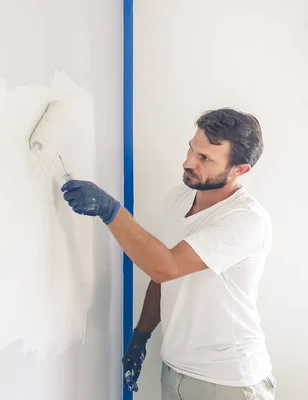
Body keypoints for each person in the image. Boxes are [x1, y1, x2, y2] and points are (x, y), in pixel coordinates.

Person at [61, 108, 276, 399]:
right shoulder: (179, 198)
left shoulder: (245, 219)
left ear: (239, 170)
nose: (187, 162)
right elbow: (162, 273)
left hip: (229, 380)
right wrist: (140, 337)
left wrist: (109, 210)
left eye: (204, 158)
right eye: (191, 148)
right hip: (175, 371)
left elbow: (167, 266)